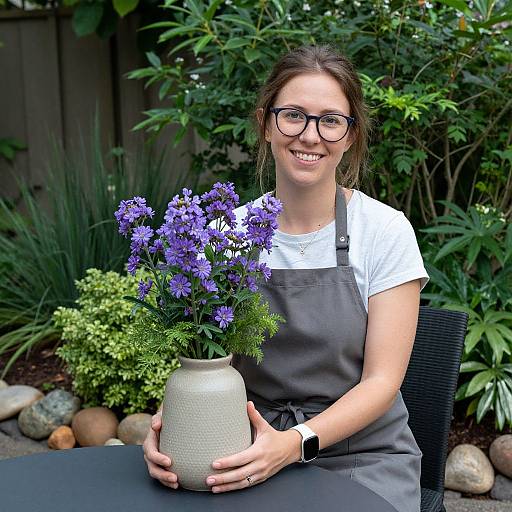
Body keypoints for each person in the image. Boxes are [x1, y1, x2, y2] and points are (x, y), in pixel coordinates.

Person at [143, 45, 430, 512]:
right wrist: (168, 429)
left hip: (363, 457)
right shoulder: (224, 235)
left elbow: (382, 382)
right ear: (265, 123)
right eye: (293, 115)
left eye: (331, 119)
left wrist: (293, 444)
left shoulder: (383, 231)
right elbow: (205, 358)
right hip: (242, 449)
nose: (310, 135)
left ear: (351, 136)